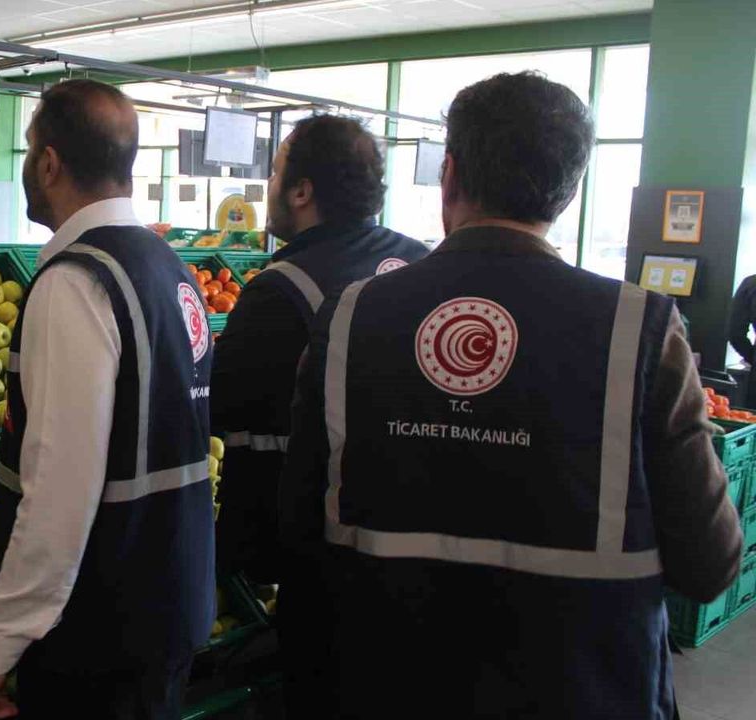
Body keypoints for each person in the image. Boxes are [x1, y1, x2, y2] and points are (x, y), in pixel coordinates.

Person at [281, 71, 742, 718]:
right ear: (570, 191)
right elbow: (708, 564)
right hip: (586, 693)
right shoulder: (640, 330)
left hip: (382, 683)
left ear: (448, 176)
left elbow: (297, 532)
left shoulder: (349, 317)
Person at [0, 79, 216, 719]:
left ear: (49, 162)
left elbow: (60, 488)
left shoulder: (78, 280)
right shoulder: (169, 267)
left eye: (30, 150)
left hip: (100, 632)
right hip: (169, 603)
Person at [209, 114, 427, 707]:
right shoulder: (421, 262)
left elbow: (225, 416)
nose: (270, 185)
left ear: (302, 191)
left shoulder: (281, 289)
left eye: (276, 171)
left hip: (325, 567)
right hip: (418, 553)